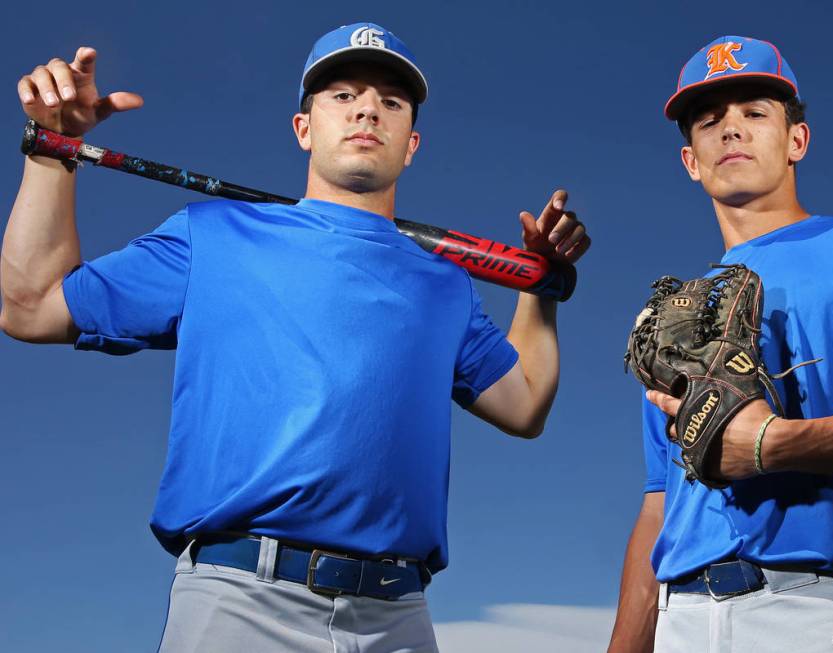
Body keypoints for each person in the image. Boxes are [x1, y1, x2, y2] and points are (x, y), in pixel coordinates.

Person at [1, 23, 590, 652]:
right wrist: (54, 152)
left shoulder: (444, 284)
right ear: (303, 128)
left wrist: (538, 289)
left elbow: (524, 404)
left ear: (411, 144)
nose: (368, 108)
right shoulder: (214, 235)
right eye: (343, 94)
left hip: (399, 615)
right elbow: (30, 307)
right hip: (240, 602)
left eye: (391, 102)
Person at [608, 36, 833, 652]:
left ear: (796, 142)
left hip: (819, 610)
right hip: (681, 622)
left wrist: (774, 443)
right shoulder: (673, 322)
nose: (732, 130)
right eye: (710, 120)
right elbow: (659, 507)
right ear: (690, 161)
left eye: (755, 113)